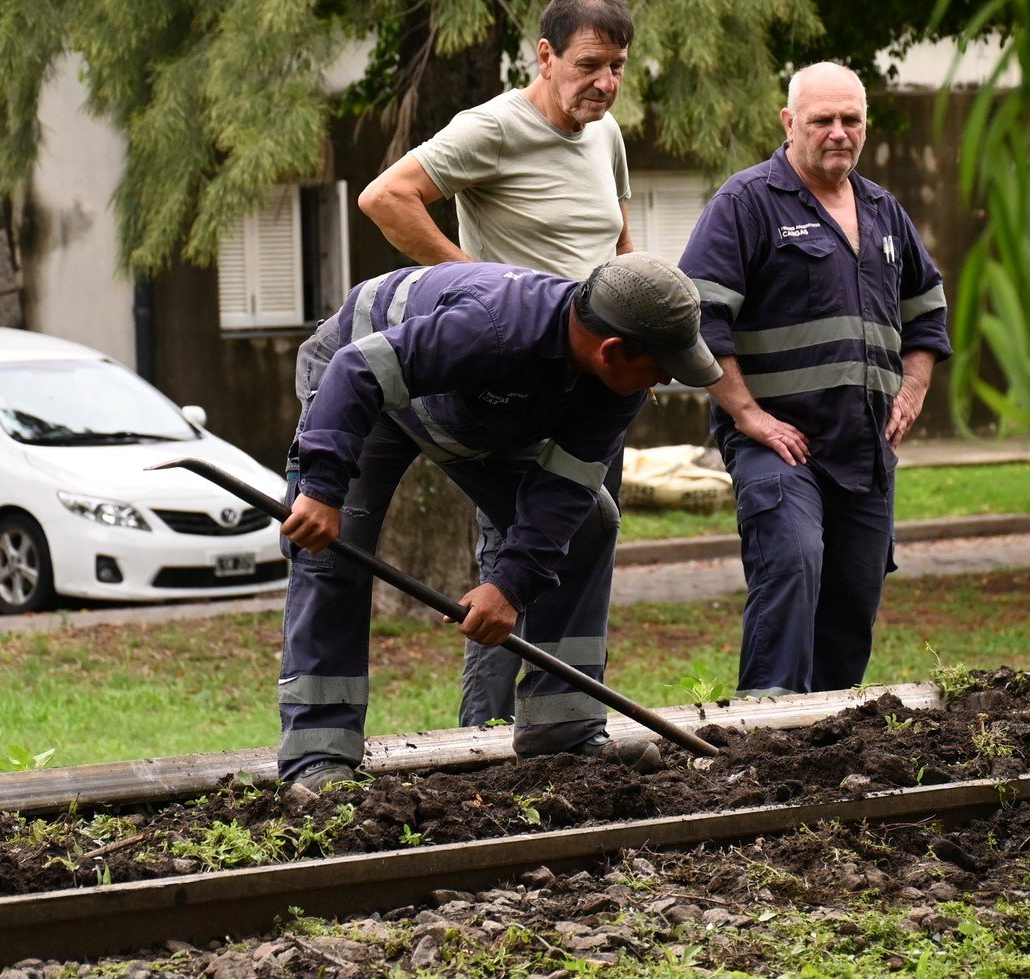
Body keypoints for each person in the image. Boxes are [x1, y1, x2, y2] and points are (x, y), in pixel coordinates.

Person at [277, 252, 721, 792]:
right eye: (660, 369)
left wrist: (508, 587)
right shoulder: (494, 329)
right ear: (613, 350)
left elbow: (564, 492)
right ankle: (317, 755)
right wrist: (322, 488)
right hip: (362, 378)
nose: (665, 382)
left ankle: (563, 728)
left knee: (590, 522)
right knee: (333, 544)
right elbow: (356, 371)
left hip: (467, 411)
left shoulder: (614, 386)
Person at [358, 0, 636, 728]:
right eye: (587, 65)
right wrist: (474, 285)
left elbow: (617, 243)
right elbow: (386, 197)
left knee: (580, 551)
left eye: (616, 66)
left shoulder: (605, 135)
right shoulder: (491, 128)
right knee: (511, 561)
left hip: (596, 387)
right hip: (516, 390)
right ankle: (478, 732)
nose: (604, 83)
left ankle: (569, 726)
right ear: (544, 56)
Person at [678, 62, 952, 698]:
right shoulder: (745, 204)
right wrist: (747, 415)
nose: (837, 133)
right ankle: (763, 726)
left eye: (849, 119)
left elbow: (927, 310)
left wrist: (912, 390)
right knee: (793, 564)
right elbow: (696, 317)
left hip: (864, 451)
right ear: (788, 122)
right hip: (779, 445)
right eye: (821, 120)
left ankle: (827, 738)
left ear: (865, 124)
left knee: (854, 600)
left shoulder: (885, 211)